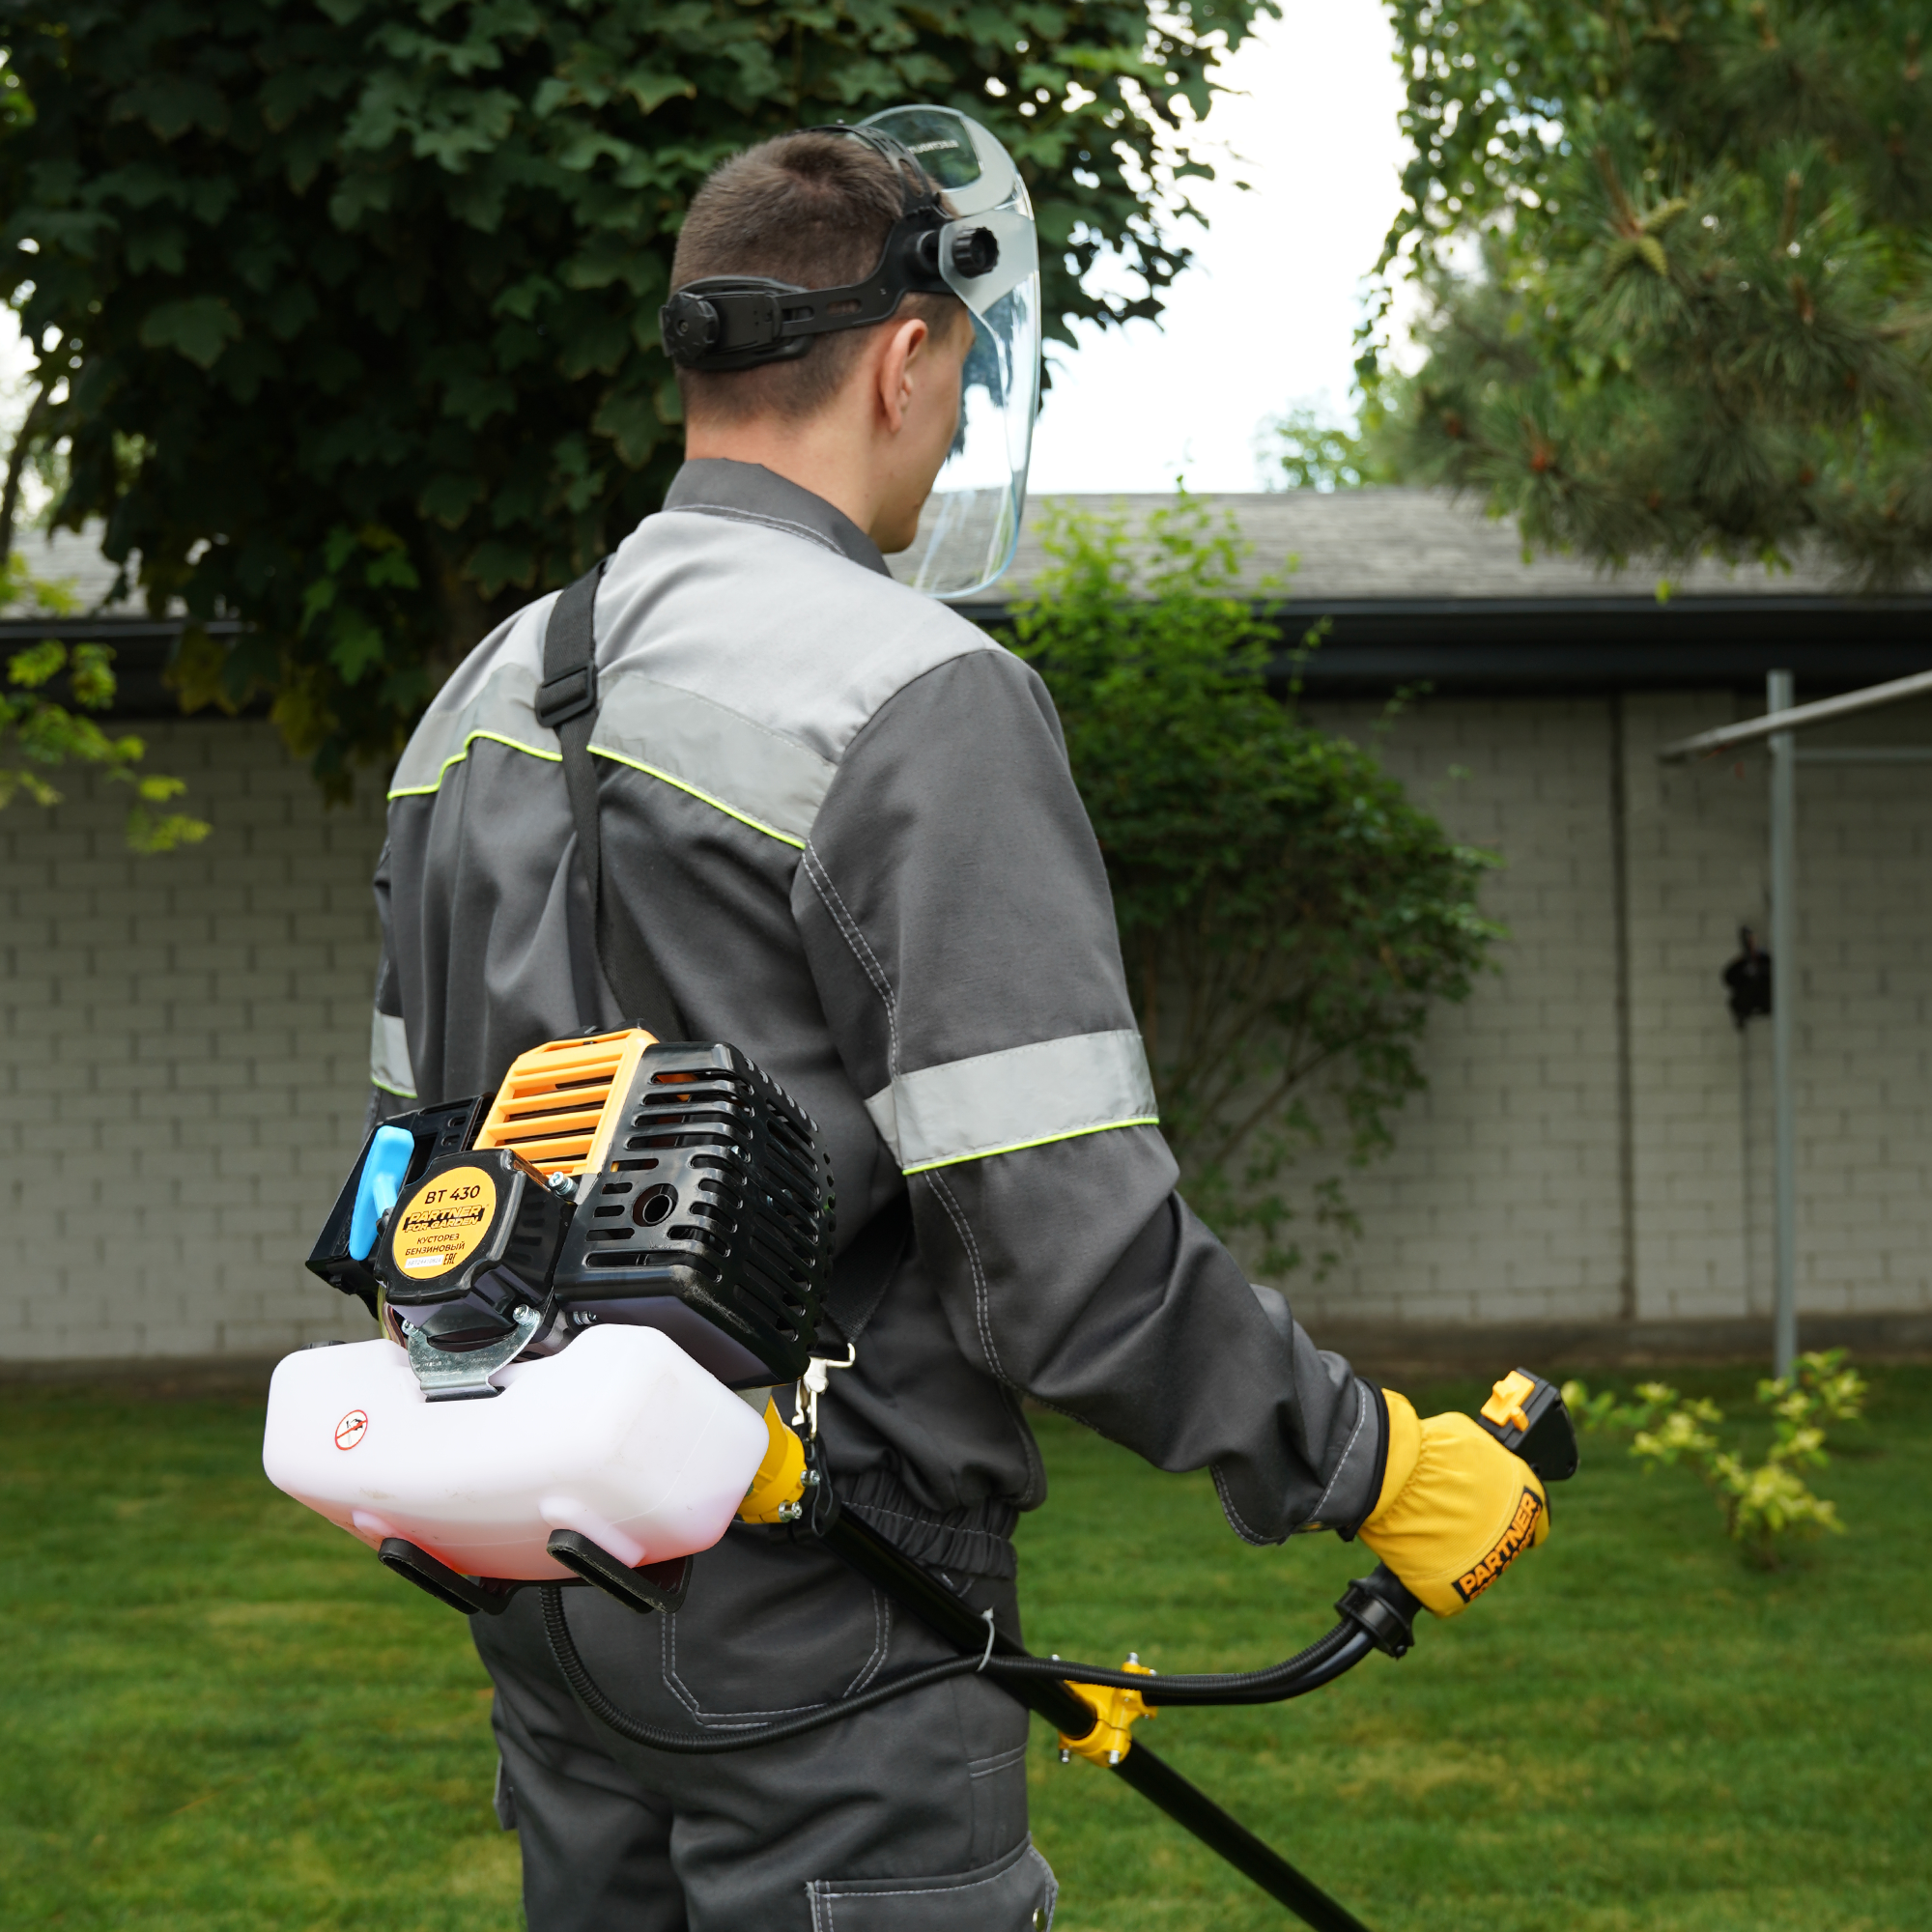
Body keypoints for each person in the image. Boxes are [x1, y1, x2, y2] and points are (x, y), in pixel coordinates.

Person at [365, 110, 1548, 1932]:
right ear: (906, 359)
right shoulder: (914, 692)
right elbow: (1062, 1248)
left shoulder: (478, 698)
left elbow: (405, 1197)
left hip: (544, 1587)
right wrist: (1368, 1459)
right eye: (963, 379)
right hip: (832, 1611)